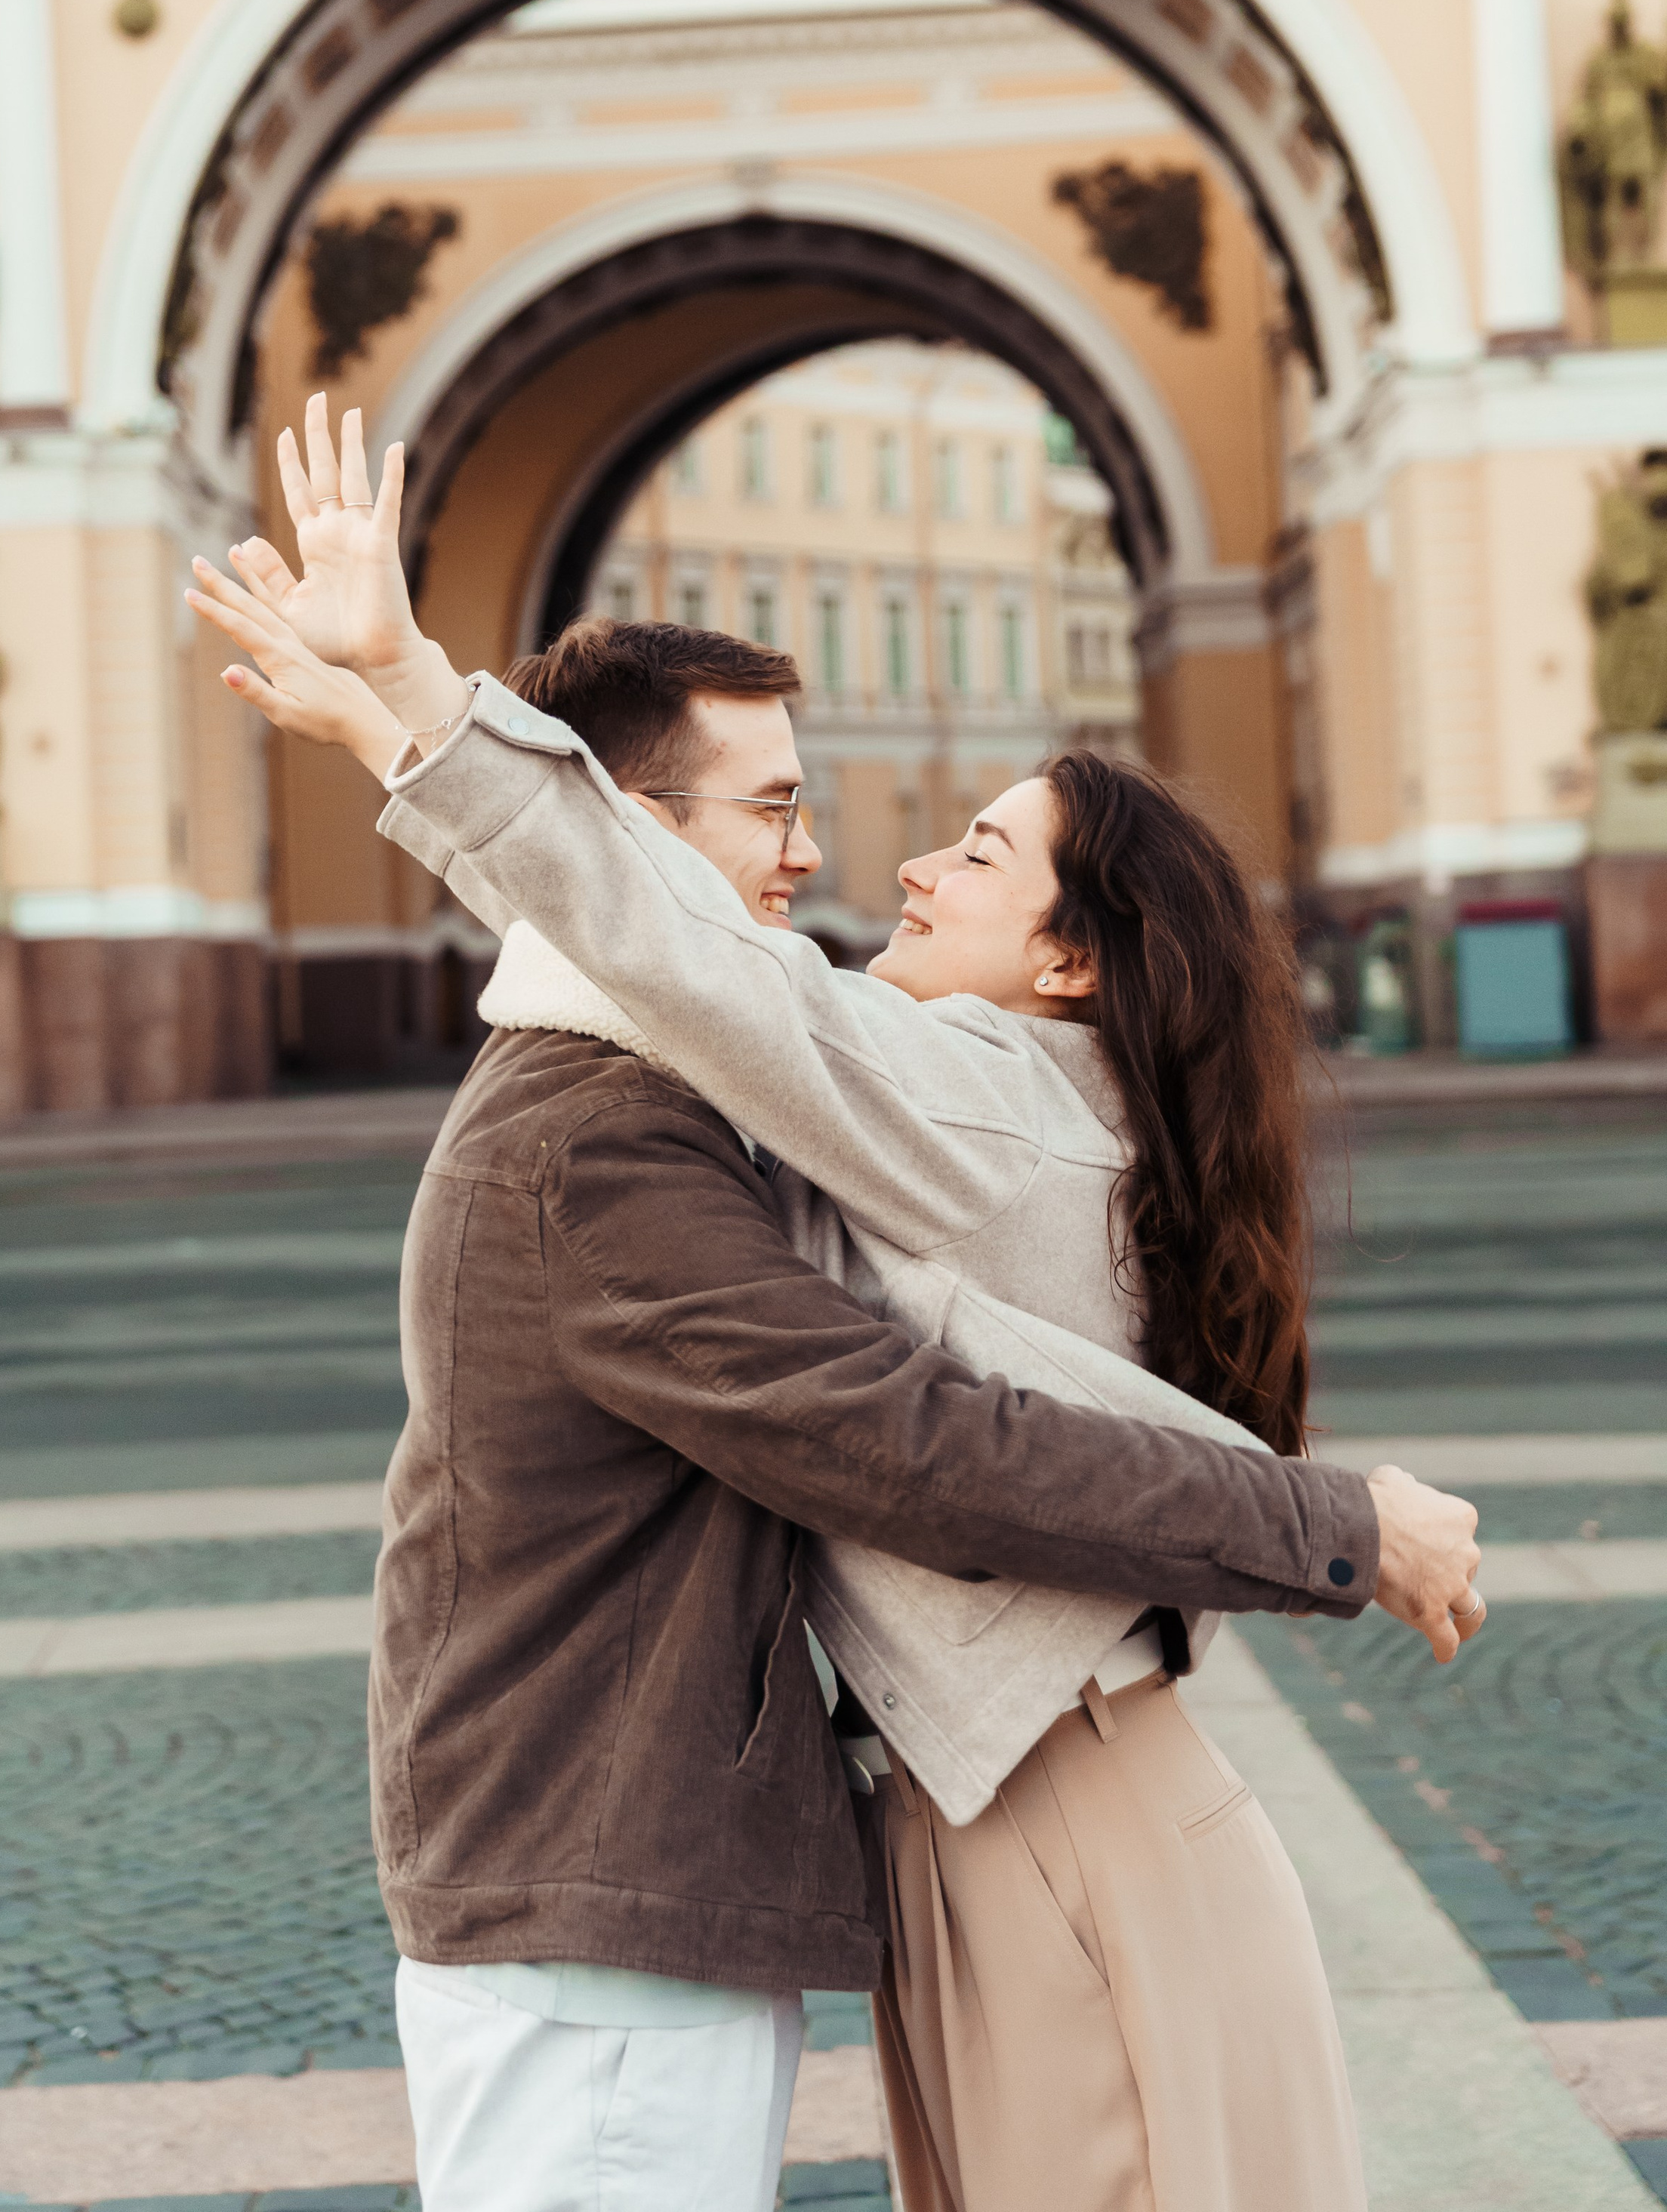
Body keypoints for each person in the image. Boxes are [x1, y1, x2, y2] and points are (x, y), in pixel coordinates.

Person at [185, 402, 1484, 2212]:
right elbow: (661, 958)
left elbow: (695, 974)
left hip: (1058, 1817)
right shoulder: (908, 1097)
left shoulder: (963, 1096)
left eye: (975, 849)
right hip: (969, 1823)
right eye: (785, 812)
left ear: (1067, 960)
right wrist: (402, 722)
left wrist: (415, 690)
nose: (892, 871)